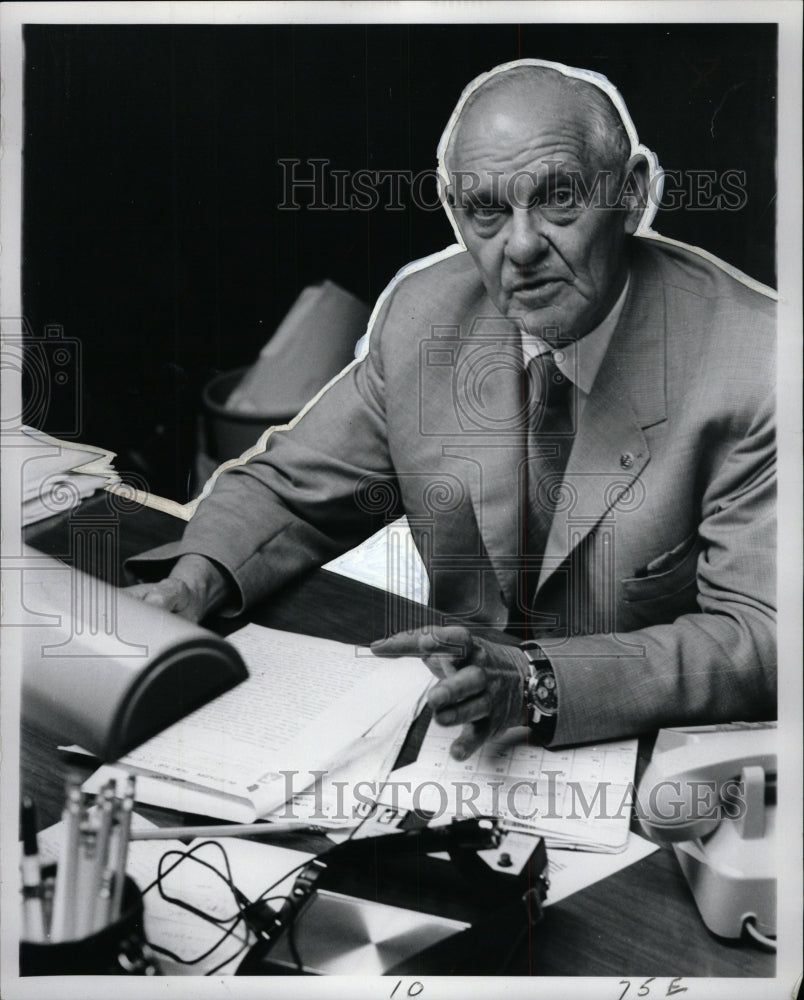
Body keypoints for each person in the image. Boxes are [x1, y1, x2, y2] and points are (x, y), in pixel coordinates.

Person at [127, 59, 776, 760]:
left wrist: (533, 683)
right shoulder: (425, 316)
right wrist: (190, 586)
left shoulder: (760, 366)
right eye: (487, 210)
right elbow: (292, 491)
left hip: (659, 767)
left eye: (560, 198)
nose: (520, 248)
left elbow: (761, 637)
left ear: (633, 193)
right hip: (449, 737)